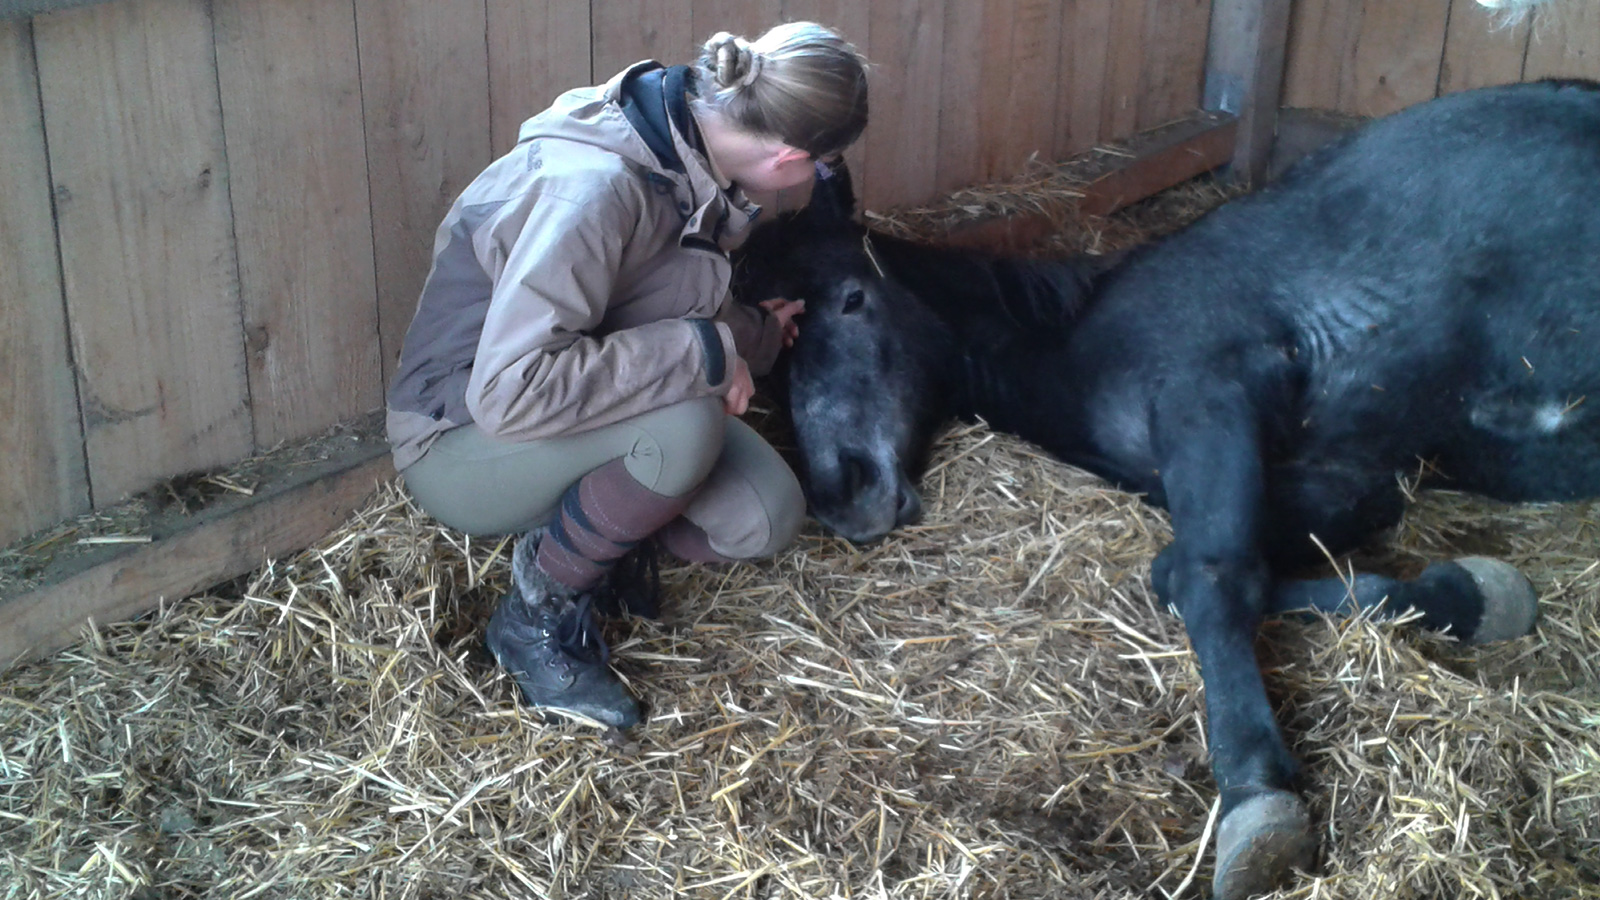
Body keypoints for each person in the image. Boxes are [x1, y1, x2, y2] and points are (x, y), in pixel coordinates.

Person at [385, 23, 870, 729]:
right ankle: (532, 623)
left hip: (576, 411)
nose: (813, 180)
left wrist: (757, 336)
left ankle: (596, 530)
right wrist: (706, 354)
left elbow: (664, 294)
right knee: (687, 422)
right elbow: (511, 391)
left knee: (764, 517)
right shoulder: (594, 192)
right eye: (823, 167)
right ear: (790, 157)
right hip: (460, 438)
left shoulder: (685, 149)